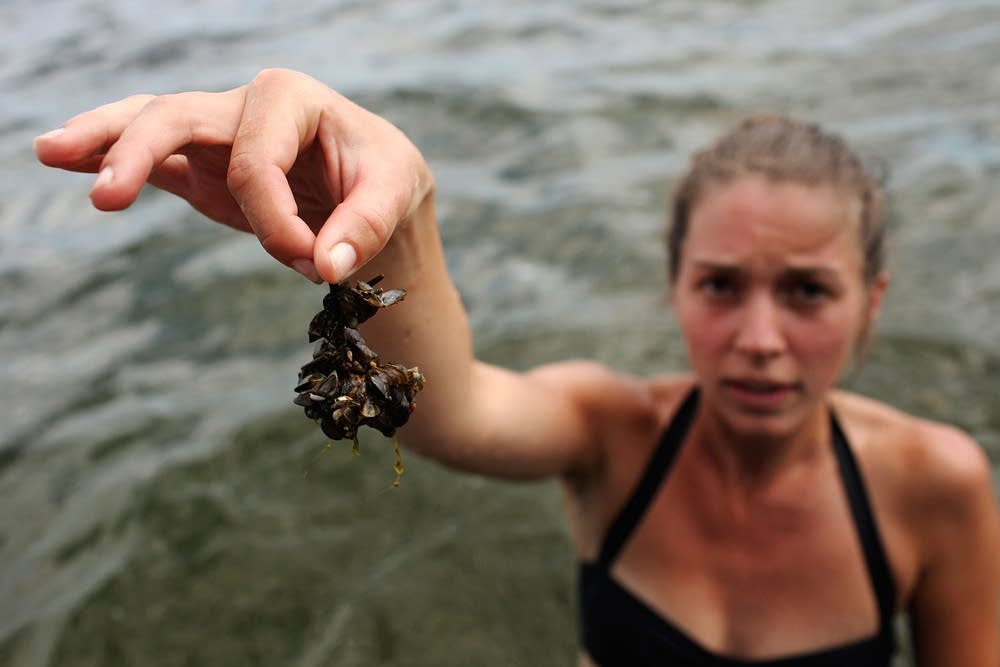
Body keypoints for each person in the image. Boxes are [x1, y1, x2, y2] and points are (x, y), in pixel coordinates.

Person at [35, 68, 1000, 665]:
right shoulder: (610, 432)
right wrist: (394, 222)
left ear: (871, 301)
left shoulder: (936, 486)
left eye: (807, 292)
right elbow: (449, 409)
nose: (757, 335)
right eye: (719, 286)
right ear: (673, 289)